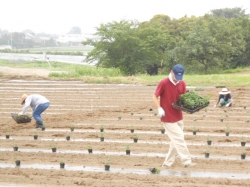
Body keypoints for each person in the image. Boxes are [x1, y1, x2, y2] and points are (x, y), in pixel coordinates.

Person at [153, 64, 196, 168]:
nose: (178, 80)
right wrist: (159, 108)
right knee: (180, 138)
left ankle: (167, 164)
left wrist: (191, 104)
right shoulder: (164, 83)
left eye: (180, 78)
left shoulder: (182, 83)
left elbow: (183, 97)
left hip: (178, 116)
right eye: (176, 77)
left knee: (175, 142)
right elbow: (155, 96)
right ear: (172, 72)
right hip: (167, 117)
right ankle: (187, 161)